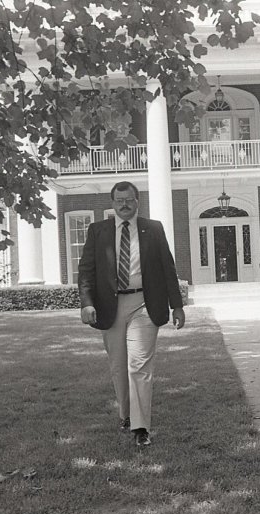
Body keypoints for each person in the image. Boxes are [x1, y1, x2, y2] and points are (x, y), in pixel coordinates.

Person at [78, 181, 186, 448]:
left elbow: (167, 269)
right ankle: (126, 415)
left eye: (129, 200)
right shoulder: (98, 231)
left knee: (139, 365)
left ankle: (141, 427)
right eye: (119, 200)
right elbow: (86, 271)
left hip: (144, 305)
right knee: (119, 367)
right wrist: (87, 302)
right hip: (109, 306)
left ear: (137, 201)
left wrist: (177, 305)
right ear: (112, 203)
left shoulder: (154, 229)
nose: (124, 205)